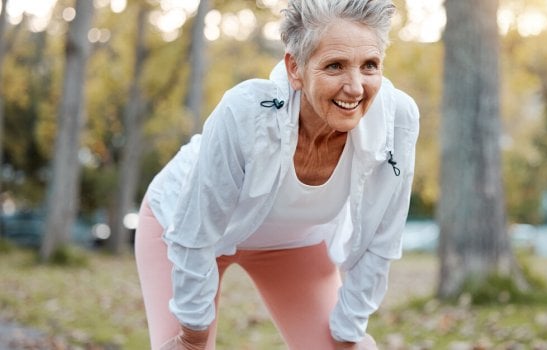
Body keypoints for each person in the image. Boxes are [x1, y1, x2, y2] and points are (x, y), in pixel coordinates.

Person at [134, 0, 419, 349]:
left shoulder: (397, 119)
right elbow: (195, 233)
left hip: (292, 243)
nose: (356, 87)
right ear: (294, 68)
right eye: (335, 66)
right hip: (183, 228)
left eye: (370, 65)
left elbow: (381, 238)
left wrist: (349, 332)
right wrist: (193, 335)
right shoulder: (245, 111)